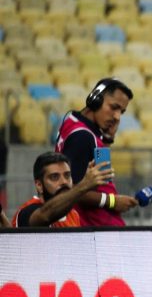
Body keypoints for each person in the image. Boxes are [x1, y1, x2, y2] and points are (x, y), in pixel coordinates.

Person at [55, 77, 138, 226]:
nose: (117, 117)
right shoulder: (82, 137)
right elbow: (70, 191)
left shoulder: (78, 124)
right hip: (93, 230)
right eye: (114, 107)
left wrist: (107, 139)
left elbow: (102, 176)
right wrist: (113, 201)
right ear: (95, 100)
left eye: (122, 111)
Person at [13, 153, 113, 228]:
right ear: (39, 185)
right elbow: (46, 215)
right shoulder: (27, 212)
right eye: (54, 177)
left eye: (67, 175)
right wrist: (83, 185)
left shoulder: (73, 215)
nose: (64, 182)